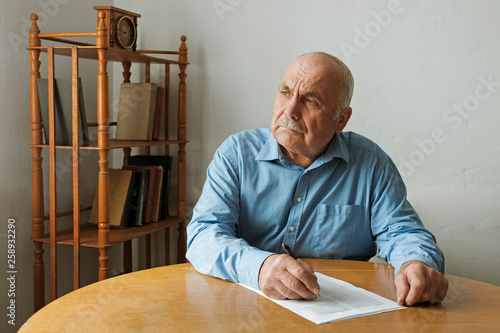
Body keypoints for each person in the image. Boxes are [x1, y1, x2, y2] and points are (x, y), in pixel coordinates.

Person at [186, 52, 449, 306]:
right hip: (245, 306)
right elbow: (204, 236)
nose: (290, 111)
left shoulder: (371, 164)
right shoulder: (236, 155)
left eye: (310, 101)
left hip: (340, 310)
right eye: (285, 92)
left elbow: (403, 232)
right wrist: (260, 266)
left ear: (341, 120)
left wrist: (416, 263)